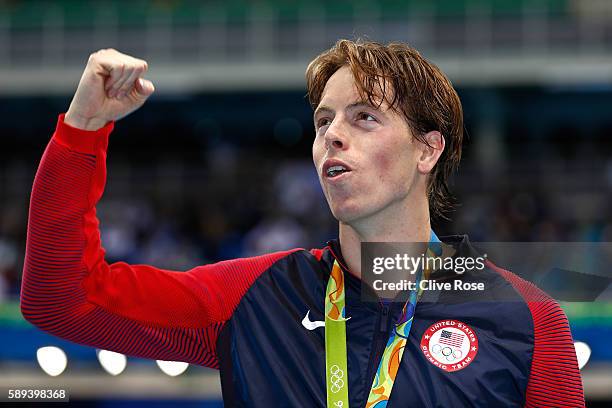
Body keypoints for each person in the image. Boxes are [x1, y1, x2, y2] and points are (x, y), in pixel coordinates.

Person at [21, 41, 584, 407]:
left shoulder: (528, 320)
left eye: (364, 117)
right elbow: (60, 299)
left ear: (427, 150)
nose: (331, 135)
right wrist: (83, 130)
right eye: (323, 121)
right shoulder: (254, 299)